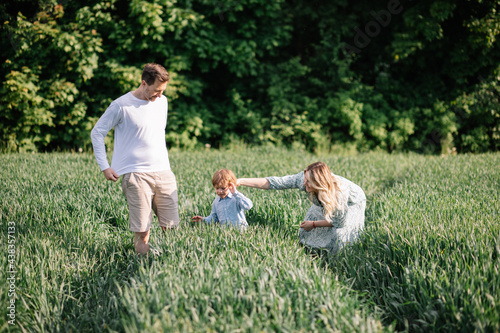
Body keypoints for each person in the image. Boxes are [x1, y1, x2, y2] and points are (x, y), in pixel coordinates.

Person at [90, 63, 179, 255]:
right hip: (136, 175)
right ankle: (142, 272)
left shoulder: (162, 102)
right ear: (144, 83)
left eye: (163, 91)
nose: (160, 95)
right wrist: (105, 166)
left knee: (172, 229)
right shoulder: (121, 105)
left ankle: (170, 270)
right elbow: (97, 133)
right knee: (143, 232)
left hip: (164, 172)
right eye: (156, 90)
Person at [237, 162, 366, 254]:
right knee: (310, 236)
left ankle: (334, 262)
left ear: (319, 183)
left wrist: (314, 224)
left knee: (341, 240)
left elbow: (338, 222)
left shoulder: (339, 193)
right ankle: (313, 254)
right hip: (323, 198)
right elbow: (274, 182)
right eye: (305, 179)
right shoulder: (304, 178)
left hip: (352, 203)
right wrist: (241, 181)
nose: (304, 184)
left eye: (308, 181)